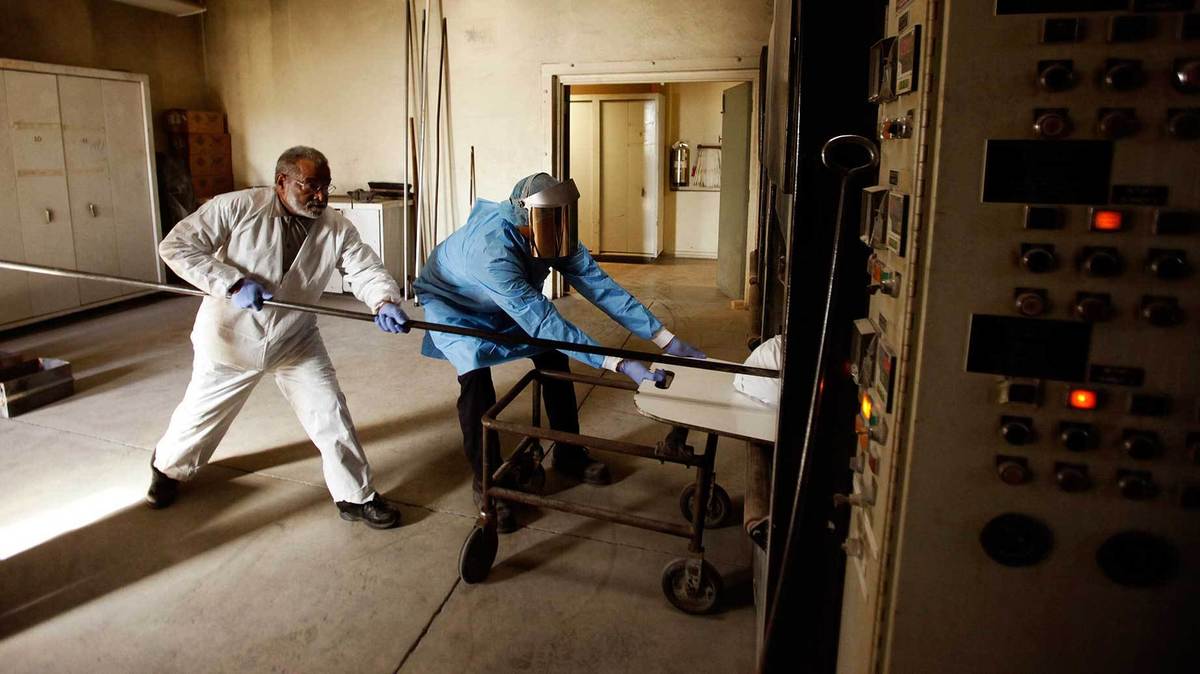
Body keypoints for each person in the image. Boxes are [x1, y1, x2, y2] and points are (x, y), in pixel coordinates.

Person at [413, 172, 706, 532]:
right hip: (455, 303)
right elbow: (543, 321)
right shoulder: (490, 252)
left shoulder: (553, 230)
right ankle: (486, 479)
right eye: (550, 218)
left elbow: (600, 286)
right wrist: (618, 362)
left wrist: (664, 338)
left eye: (563, 216)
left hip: (506, 298)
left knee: (553, 355)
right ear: (526, 217)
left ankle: (568, 453)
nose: (559, 226)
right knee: (474, 373)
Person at [146, 146, 412, 529]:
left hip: (295, 338)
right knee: (200, 419)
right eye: (310, 185)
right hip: (232, 338)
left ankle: (356, 496)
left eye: (325, 186)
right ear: (282, 181)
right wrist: (232, 283)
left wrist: (383, 300)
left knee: (330, 413)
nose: (320, 195)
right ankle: (167, 468)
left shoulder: (336, 227)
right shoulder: (238, 206)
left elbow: (363, 267)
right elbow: (176, 246)